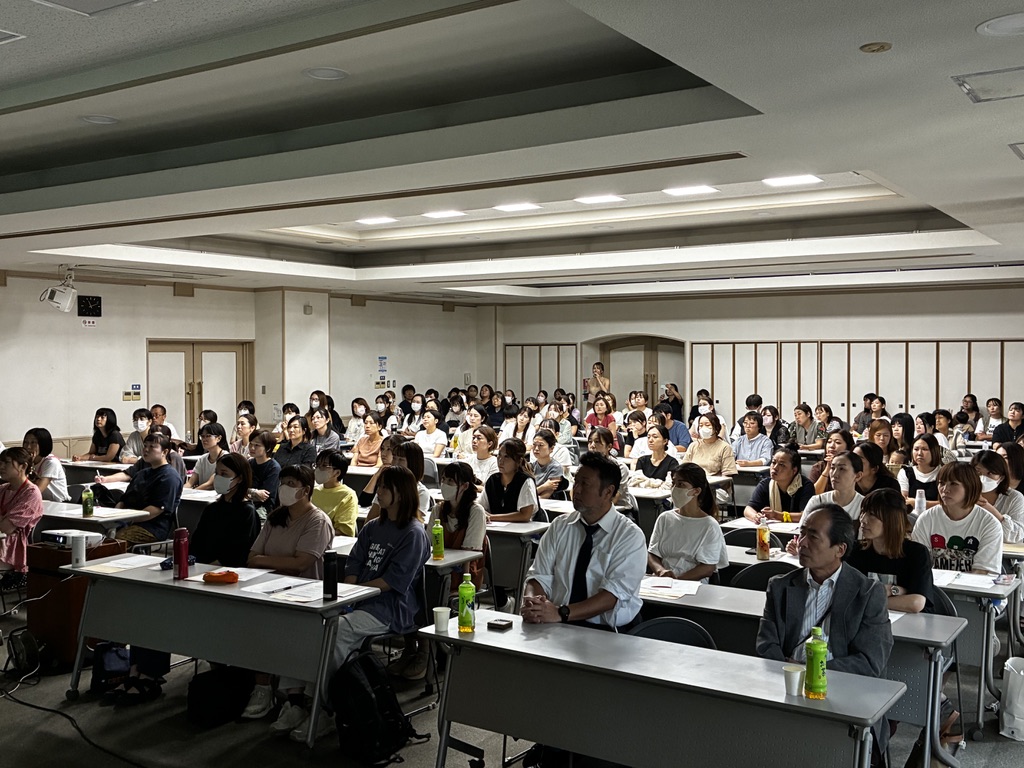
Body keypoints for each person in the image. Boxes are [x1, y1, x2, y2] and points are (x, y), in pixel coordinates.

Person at [756, 505, 893, 705]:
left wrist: (810, 671)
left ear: (840, 549)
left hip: (845, 694)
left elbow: (870, 661)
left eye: (813, 537)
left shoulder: (868, 593)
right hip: (788, 689)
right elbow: (766, 645)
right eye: (802, 534)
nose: (802, 543)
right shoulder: (780, 587)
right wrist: (793, 675)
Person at [242, 465, 335, 733]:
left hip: (305, 594)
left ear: (306, 490)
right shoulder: (276, 518)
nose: (284, 487)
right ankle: (263, 688)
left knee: (289, 632)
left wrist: (266, 560)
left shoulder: (317, 521)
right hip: (267, 589)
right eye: (283, 482)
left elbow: (301, 563)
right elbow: (252, 557)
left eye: (291, 483)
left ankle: (296, 702)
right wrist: (277, 562)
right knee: (251, 624)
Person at [522, 452, 646, 630]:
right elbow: (538, 575)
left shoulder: (629, 535)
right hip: (556, 621)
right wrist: (535, 605)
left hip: (606, 631)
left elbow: (612, 595)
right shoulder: (560, 526)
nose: (577, 490)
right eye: (576, 482)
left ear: (608, 492)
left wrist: (561, 613)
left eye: (585, 484)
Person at [848, 489, 934, 613]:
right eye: (863, 512)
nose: (863, 519)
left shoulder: (916, 553)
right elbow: (848, 595)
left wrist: (871, 600)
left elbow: (916, 603)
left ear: (891, 520)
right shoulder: (855, 550)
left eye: (872, 514)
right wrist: (900, 592)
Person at [911, 462, 1003, 575]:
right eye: (941, 483)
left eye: (953, 484)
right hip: (934, 584)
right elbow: (918, 564)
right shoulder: (926, 519)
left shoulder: (989, 524)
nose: (945, 489)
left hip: (972, 585)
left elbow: (982, 572)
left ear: (970, 487)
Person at [647, 463, 728, 582]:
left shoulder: (709, 525)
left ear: (696, 491)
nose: (675, 488)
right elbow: (652, 553)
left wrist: (677, 580)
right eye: (673, 483)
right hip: (662, 581)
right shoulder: (664, 518)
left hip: (692, 584)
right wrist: (660, 571)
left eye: (681, 484)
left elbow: (708, 567)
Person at [190, 452, 261, 568]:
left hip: (226, 570)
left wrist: (209, 568)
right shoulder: (211, 508)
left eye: (224, 474)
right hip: (201, 566)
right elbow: (196, 543)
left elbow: (239, 552)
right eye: (217, 473)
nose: (218, 478)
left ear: (239, 478)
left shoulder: (247, 512)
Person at [113, 433, 185, 546]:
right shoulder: (141, 474)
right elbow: (124, 500)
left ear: (164, 452)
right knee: (99, 534)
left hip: (152, 527)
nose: (146, 450)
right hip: (128, 520)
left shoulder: (169, 476)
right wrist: (115, 516)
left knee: (116, 541)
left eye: (152, 447)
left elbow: (156, 509)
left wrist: (128, 519)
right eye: (145, 446)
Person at [0, 447, 45, 591]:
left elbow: (7, 528)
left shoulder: (31, 493)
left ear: (23, 466)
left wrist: (4, 521)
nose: (1, 466)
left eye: (6, 463)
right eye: (0, 462)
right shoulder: (3, 489)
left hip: (11, 548)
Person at [743, 446, 814, 522]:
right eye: (773, 462)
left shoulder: (805, 485)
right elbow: (748, 509)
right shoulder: (766, 484)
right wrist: (755, 516)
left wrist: (777, 515)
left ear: (794, 470)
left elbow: (806, 515)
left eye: (782, 465)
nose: (775, 467)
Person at [480, 438, 539, 523]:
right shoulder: (493, 480)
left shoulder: (525, 481)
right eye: (499, 455)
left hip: (521, 530)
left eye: (506, 457)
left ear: (518, 461)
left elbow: (525, 515)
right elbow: (480, 505)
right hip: (495, 528)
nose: (500, 460)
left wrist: (492, 517)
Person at [972, 449, 1024, 542]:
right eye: (978, 472)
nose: (983, 478)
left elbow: (1016, 535)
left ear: (1001, 478)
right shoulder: (962, 494)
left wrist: (989, 509)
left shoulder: (1015, 498)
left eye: (990, 473)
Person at [802, 451, 864, 521]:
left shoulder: (864, 505)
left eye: (842, 469)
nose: (834, 474)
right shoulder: (817, 501)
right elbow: (803, 527)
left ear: (858, 476)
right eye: (832, 468)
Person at [312, 449, 359, 537]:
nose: (318, 469)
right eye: (317, 465)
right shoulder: (313, 491)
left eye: (324, 465)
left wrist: (312, 533)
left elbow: (344, 531)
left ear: (337, 473)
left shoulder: (347, 495)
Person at [683, 413, 737, 478]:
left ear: (716, 427)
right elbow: (684, 467)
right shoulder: (693, 446)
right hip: (693, 481)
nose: (703, 428)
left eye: (707, 425)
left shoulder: (725, 447)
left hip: (715, 482)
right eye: (700, 425)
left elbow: (728, 474)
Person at [22, 427, 69, 502]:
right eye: (26, 442)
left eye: (33, 443)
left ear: (43, 444)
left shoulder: (51, 462)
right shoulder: (24, 461)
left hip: (58, 503)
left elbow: (37, 490)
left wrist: (29, 465)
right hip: (40, 501)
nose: (28, 447)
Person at [897, 434, 943, 510]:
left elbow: (948, 503)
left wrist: (919, 503)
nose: (919, 453)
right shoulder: (905, 472)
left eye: (924, 449)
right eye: (916, 449)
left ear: (934, 451)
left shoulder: (944, 473)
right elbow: (904, 501)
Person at [246, 429, 281, 519]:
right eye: (251, 444)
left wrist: (248, 492)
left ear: (268, 448)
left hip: (264, 509)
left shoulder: (274, 468)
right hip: (247, 504)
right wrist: (254, 492)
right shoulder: (249, 463)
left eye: (257, 445)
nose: (252, 448)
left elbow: (264, 497)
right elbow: (239, 487)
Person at [809, 430, 855, 494]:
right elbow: (814, 494)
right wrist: (828, 468)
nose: (831, 446)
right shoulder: (818, 467)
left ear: (847, 446)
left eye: (838, 442)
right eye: (829, 442)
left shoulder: (853, 467)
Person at [186, 421, 230, 489]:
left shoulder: (226, 458)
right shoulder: (202, 459)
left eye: (208, 436)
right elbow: (190, 483)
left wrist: (194, 491)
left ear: (219, 438)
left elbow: (210, 484)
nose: (204, 439)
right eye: (202, 436)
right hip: (200, 493)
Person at [530, 429, 564, 499]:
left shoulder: (556, 467)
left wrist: (530, 495)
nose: (536, 448)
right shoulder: (530, 466)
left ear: (551, 448)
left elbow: (545, 496)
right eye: (534, 444)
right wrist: (544, 487)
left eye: (541, 445)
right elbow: (525, 493)